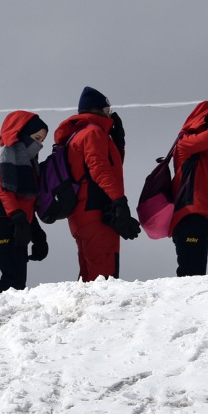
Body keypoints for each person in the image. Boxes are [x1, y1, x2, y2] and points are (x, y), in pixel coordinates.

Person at [54, 87, 139, 282]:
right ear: (97, 110)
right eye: (107, 111)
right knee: (103, 278)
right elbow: (100, 170)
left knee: (88, 276)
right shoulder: (93, 132)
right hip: (96, 212)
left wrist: (118, 143)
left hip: (80, 214)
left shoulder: (77, 135)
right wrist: (120, 202)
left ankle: (87, 312)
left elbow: (106, 167)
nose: (110, 115)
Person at [0, 111, 49, 292]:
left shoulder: (29, 163)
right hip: (4, 221)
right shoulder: (5, 154)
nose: (39, 145)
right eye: (36, 138)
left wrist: (37, 234)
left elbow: (27, 203)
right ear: (22, 132)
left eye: (41, 141)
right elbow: (4, 190)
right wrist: (18, 219)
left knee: (18, 281)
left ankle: (7, 316)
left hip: (19, 223)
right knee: (12, 277)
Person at [169, 100, 208, 277]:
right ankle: (182, 303)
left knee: (196, 269)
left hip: (199, 214)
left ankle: (188, 303)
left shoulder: (204, 152)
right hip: (189, 214)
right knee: (191, 270)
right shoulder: (185, 143)